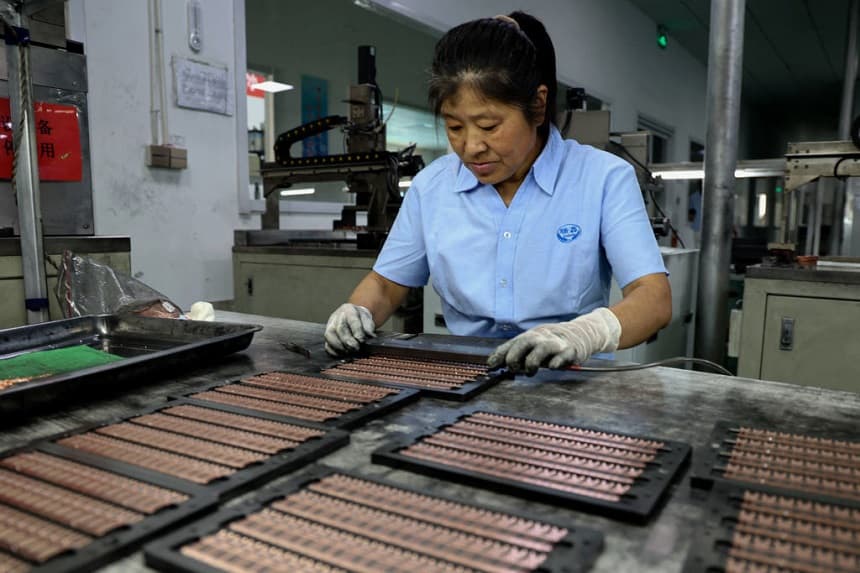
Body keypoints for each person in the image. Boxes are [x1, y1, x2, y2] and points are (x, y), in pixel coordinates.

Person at [324, 11, 671, 375]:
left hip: (571, 385)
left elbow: (654, 299)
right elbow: (385, 284)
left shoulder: (602, 179)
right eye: (455, 126)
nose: (471, 146)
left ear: (537, 106)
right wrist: (358, 311)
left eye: (489, 126)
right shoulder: (432, 188)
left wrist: (586, 333)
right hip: (462, 382)